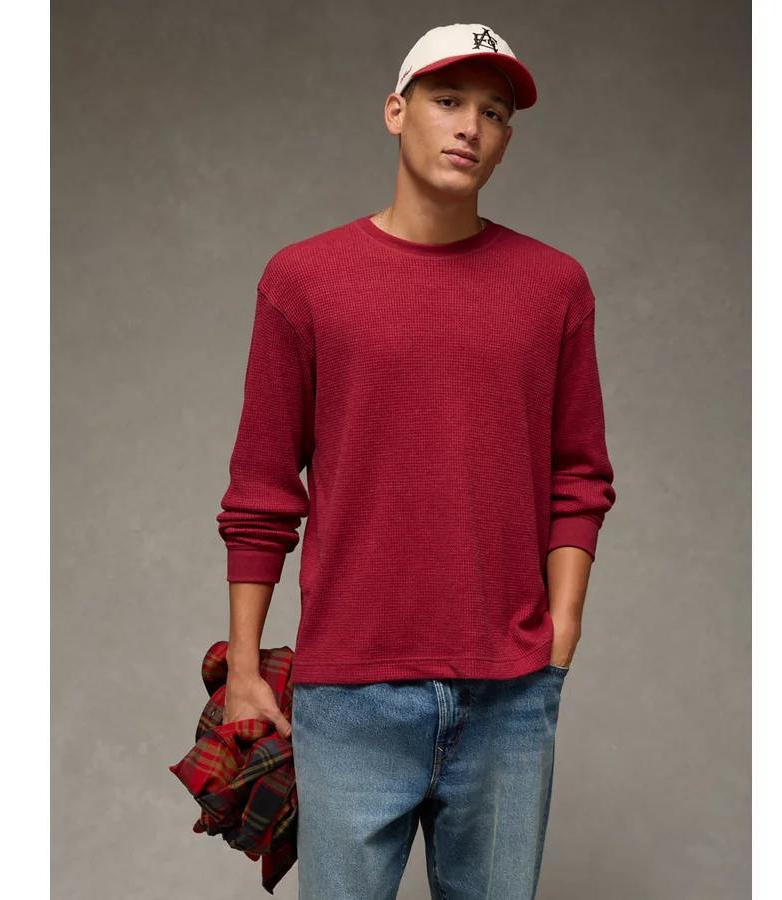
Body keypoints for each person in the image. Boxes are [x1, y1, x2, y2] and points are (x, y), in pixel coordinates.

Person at [216, 22, 616, 900]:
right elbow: (261, 491)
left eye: (495, 112)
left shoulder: (554, 287)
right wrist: (245, 670)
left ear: (507, 140)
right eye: (448, 100)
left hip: (511, 693)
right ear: (397, 111)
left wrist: (563, 627)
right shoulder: (304, 281)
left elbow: (579, 474)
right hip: (349, 692)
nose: (470, 125)